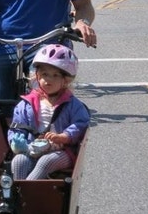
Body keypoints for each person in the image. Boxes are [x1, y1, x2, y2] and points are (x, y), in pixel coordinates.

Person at [8, 44, 89, 179]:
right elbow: (17, 125)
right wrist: (16, 140)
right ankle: (19, 196)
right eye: (44, 74)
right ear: (37, 76)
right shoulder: (26, 104)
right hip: (32, 147)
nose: (48, 79)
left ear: (65, 80)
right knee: (18, 161)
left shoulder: (73, 105)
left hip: (61, 150)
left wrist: (66, 136)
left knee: (46, 162)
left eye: (55, 75)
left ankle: (27, 192)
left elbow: (81, 124)